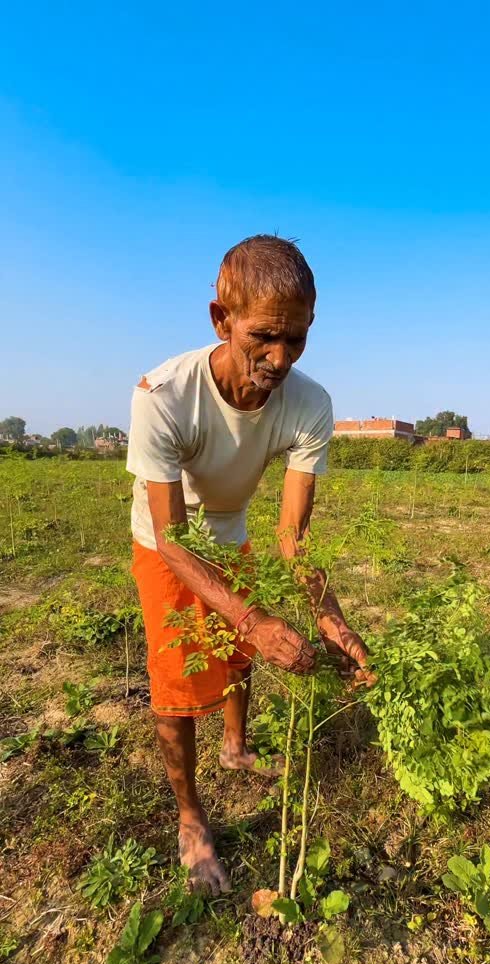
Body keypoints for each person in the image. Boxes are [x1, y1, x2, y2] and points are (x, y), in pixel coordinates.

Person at [126, 235, 369, 895]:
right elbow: (175, 540)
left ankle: (235, 749)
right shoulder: (163, 396)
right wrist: (256, 616)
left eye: (297, 338)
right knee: (177, 680)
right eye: (264, 335)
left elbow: (293, 538)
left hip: (230, 534)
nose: (280, 356)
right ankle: (190, 817)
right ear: (220, 320)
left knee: (240, 652)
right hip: (164, 541)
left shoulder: (310, 404)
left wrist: (331, 619)